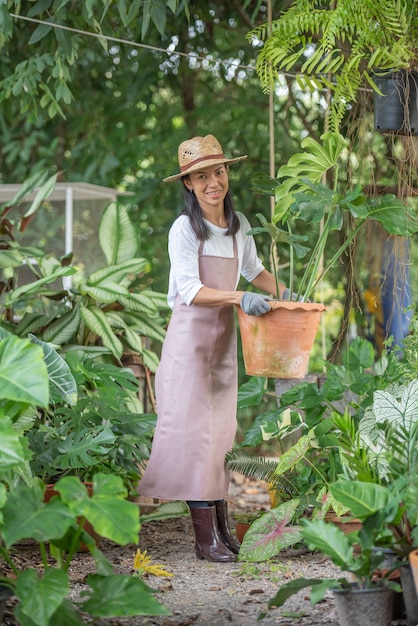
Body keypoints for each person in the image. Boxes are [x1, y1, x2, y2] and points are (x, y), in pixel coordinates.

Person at [138, 134, 287, 563]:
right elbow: (190, 290)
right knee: (194, 441)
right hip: (189, 346)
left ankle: (223, 535)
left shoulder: (239, 225)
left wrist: (293, 295)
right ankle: (205, 543)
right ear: (188, 184)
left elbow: (256, 271)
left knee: (219, 440)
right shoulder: (184, 229)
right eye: (200, 177)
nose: (211, 183)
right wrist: (240, 298)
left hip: (223, 347)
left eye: (217, 172)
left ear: (227, 172)